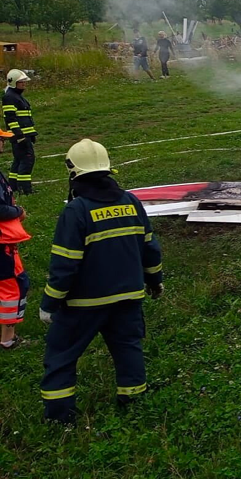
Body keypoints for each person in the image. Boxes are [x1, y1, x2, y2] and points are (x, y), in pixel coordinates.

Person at [39, 139, 163, 424]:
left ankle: (59, 417)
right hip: (129, 297)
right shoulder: (131, 202)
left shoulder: (77, 211)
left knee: (61, 354)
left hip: (84, 303)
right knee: (128, 347)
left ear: (73, 173)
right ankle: (133, 400)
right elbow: (150, 248)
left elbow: (64, 264)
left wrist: (50, 303)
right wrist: (155, 281)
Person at [0, 129, 29, 350]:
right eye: (0, 140)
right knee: (13, 287)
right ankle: (8, 339)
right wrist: (17, 211)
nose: (3, 143)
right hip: (3, 245)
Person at [2, 69, 38, 194]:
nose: (24, 84)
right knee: (27, 160)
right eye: (21, 82)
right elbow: (10, 119)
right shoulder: (9, 97)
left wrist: (31, 133)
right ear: (14, 83)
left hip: (24, 135)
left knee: (18, 160)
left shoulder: (16, 96)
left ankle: (13, 187)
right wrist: (20, 136)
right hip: (20, 136)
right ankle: (25, 189)